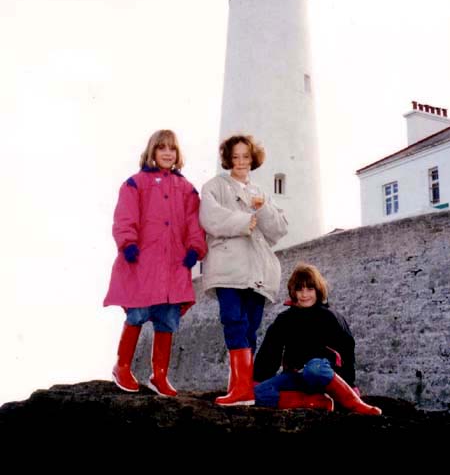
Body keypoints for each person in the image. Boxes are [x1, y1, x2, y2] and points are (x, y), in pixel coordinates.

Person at [103, 129, 207, 396]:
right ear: (152, 151)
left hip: (174, 263)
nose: (167, 153)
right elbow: (125, 217)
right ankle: (122, 365)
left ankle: (159, 374)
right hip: (143, 261)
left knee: (168, 318)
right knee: (137, 313)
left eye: (172, 149)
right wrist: (128, 243)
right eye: (162, 148)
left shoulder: (186, 189)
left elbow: (194, 222)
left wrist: (195, 248)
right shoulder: (135, 183)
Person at [199, 134, 288, 406]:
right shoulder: (214, 186)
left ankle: (241, 388)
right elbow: (210, 218)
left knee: (250, 327)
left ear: (253, 159)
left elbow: (278, 231)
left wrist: (262, 211)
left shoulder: (260, 192)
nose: (240, 162)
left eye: (245, 156)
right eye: (235, 156)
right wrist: (244, 221)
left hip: (257, 269)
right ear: (228, 158)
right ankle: (241, 388)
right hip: (228, 266)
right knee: (233, 321)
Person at [253, 263, 382, 415]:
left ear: (318, 289)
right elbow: (270, 351)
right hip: (296, 376)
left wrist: (350, 384)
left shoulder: (330, 317)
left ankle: (355, 404)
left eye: (310, 289)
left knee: (314, 368)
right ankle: (315, 402)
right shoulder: (284, 319)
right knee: (257, 393)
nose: (304, 294)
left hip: (323, 376)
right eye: (299, 289)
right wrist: (259, 379)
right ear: (293, 291)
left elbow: (347, 351)